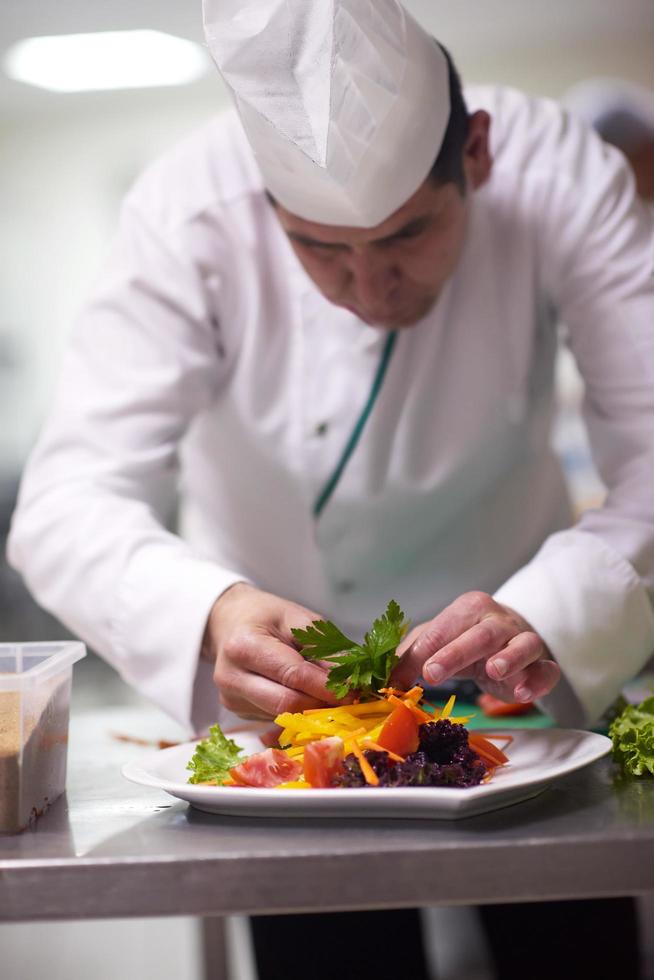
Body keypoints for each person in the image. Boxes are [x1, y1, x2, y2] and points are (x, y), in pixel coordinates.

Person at [6, 2, 653, 977]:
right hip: (282, 717)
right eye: (317, 248)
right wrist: (210, 610)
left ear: (475, 155)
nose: (367, 287)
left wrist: (553, 606)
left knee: (570, 947)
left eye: (405, 236)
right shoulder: (188, 211)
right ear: (268, 205)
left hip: (520, 682)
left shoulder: (561, 173)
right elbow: (65, 499)